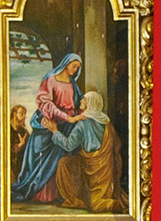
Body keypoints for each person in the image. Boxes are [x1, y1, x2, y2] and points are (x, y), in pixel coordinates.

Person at [14, 56, 119, 210]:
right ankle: (40, 193)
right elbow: (45, 103)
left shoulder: (73, 84)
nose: (76, 70)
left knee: (63, 157)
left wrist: (76, 117)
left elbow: (79, 103)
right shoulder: (50, 80)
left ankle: (61, 194)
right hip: (53, 121)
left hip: (68, 125)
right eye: (74, 66)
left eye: (78, 67)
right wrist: (66, 118)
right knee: (45, 156)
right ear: (66, 63)